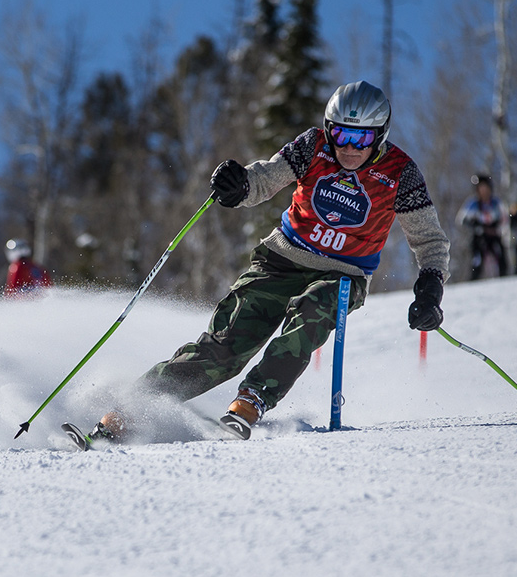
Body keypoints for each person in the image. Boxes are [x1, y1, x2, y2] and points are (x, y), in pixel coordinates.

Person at [90, 80, 450, 442]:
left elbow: (429, 239)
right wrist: (240, 184)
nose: (349, 148)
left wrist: (431, 287)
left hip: (343, 274)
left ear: (380, 136)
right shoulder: (313, 146)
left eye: (362, 139)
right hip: (280, 260)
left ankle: (252, 399)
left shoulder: (399, 173)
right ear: (329, 129)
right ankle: (130, 410)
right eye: (341, 135)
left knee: (314, 309)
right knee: (226, 346)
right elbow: (267, 177)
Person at [456, 174, 509, 279]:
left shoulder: (496, 203)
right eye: (481, 188)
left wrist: (498, 228)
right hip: (479, 236)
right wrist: (475, 225)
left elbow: (505, 219)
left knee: (501, 258)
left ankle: (505, 281)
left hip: (494, 236)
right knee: (477, 261)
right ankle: (473, 284)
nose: (483, 191)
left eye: (485, 188)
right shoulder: (473, 203)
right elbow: (461, 220)